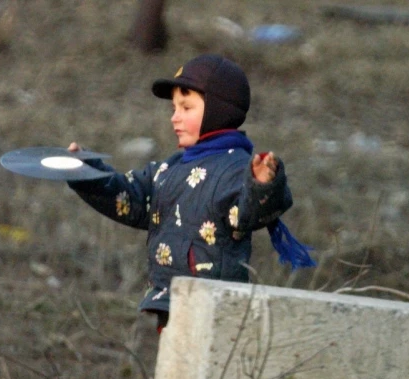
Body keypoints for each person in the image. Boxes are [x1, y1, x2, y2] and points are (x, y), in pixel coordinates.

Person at [67, 54, 314, 332]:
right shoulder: (169, 168)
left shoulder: (235, 169)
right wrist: (86, 172)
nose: (175, 117)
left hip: (215, 309)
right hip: (169, 301)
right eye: (174, 108)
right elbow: (130, 198)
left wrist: (263, 185)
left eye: (186, 107)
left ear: (218, 110)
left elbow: (248, 212)